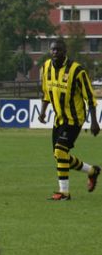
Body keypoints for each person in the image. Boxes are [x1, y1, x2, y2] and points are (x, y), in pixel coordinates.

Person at [38, 39, 100, 200]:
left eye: (58, 50)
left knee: (60, 151)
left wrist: (94, 121)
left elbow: (90, 98)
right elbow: (46, 93)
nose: (54, 52)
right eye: (52, 50)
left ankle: (64, 192)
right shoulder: (46, 67)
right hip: (59, 118)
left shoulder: (77, 70)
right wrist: (43, 112)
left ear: (65, 52)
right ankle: (92, 171)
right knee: (60, 155)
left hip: (75, 118)